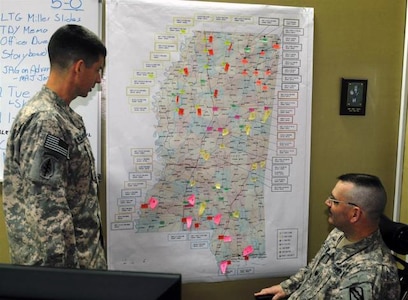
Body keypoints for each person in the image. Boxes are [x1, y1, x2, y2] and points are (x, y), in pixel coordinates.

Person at [2, 24, 107, 269]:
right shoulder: (46, 121)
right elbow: (48, 210)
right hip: (67, 273)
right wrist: (64, 282)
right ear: (79, 68)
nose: (99, 79)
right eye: (98, 70)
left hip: (78, 268)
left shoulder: (60, 117)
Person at [255, 173, 400, 299]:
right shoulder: (339, 233)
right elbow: (315, 269)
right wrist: (287, 287)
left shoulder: (369, 272)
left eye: (334, 201)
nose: (327, 202)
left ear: (354, 214)